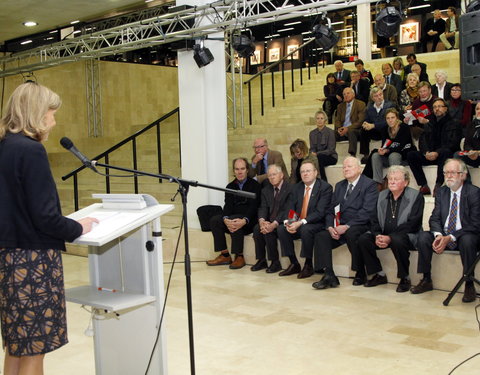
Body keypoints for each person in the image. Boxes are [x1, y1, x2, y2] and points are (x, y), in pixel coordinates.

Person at [0, 82, 98, 375]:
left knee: (17, 347)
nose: (54, 121)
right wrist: (76, 226)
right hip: (32, 262)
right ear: (36, 113)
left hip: (8, 258)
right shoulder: (30, 151)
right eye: (51, 113)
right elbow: (45, 217)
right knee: (35, 350)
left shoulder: (4, 146)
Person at [412, 159, 480, 303]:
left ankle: (468, 284)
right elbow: (434, 218)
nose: (448, 176)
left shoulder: (474, 192)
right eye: (446, 172)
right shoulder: (442, 192)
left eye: (453, 172)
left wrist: (451, 237)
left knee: (468, 240)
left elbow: (475, 224)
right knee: (423, 237)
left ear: (463, 175)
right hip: (443, 233)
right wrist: (438, 235)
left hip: (463, 235)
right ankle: (426, 279)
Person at [312, 157, 378, 289]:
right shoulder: (340, 185)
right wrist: (330, 226)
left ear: (359, 169)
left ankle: (360, 271)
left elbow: (367, 211)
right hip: (339, 226)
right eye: (344, 167)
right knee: (321, 235)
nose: (346, 169)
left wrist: (347, 226)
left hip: (360, 225)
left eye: (350, 166)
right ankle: (329, 274)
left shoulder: (369, 184)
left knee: (352, 233)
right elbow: (331, 209)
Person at [358, 166, 424, 292]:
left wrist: (390, 237)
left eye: (396, 179)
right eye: (390, 179)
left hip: (408, 235)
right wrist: (377, 235)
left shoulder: (416, 196)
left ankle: (405, 277)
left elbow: (413, 224)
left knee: (397, 239)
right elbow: (374, 219)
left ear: (405, 182)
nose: (392, 182)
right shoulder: (381, 195)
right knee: (363, 239)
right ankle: (379, 274)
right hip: (384, 234)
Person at [277, 160, 332, 279]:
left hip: (317, 223)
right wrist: (289, 223)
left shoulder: (325, 187)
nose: (305, 174)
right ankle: (294, 263)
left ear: (316, 172)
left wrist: (301, 222)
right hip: (298, 222)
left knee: (306, 229)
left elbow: (320, 212)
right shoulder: (296, 188)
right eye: (302, 171)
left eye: (308, 171)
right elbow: (289, 207)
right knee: (282, 229)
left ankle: (308, 264)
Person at [207, 157, 261, 269]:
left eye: (242, 168)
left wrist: (244, 220)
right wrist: (225, 218)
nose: (239, 172)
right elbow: (228, 205)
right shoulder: (230, 186)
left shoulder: (255, 185)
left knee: (235, 219)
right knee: (215, 220)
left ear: (247, 170)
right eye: (237, 169)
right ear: (233, 171)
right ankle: (225, 255)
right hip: (233, 219)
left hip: (249, 221)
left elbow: (254, 207)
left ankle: (239, 256)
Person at [407, 98, 462, 196]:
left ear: (446, 109)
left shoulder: (454, 123)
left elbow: (453, 143)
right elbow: (422, 141)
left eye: (440, 106)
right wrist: (426, 152)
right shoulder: (429, 123)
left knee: (446, 152)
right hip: (430, 155)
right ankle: (423, 185)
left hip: (443, 156)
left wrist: (438, 152)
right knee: (411, 155)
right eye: (435, 107)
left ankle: (438, 184)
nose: (437, 109)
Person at [251, 165, 293, 273]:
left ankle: (275, 262)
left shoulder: (290, 188)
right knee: (257, 229)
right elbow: (263, 207)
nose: (272, 177)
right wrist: (262, 221)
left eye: (274, 174)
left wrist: (274, 224)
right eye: (269, 175)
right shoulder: (266, 190)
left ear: (281, 175)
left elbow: (287, 210)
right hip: (270, 220)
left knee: (270, 231)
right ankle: (261, 260)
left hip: (284, 220)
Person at [369, 109, 415, 189]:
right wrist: (382, 150)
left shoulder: (404, 127)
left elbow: (402, 146)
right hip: (390, 156)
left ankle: (391, 179)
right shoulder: (384, 129)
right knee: (376, 155)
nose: (390, 120)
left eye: (392, 117)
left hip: (403, 157)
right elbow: (385, 145)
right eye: (388, 118)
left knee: (394, 155)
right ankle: (378, 183)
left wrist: (387, 150)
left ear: (397, 118)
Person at [360, 87, 396, 163]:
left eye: (380, 94)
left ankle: (384, 151)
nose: (379, 97)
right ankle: (365, 154)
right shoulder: (369, 108)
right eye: (376, 96)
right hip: (374, 131)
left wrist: (374, 125)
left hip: (386, 130)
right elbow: (367, 119)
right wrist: (365, 124)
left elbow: (389, 122)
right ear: (372, 98)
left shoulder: (390, 105)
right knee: (363, 130)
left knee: (386, 127)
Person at [334, 87, 366, 157]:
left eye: (348, 93)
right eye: (344, 94)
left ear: (353, 94)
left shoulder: (361, 104)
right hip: (343, 130)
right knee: (330, 133)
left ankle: (352, 154)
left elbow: (360, 121)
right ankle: (332, 154)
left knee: (351, 131)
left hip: (355, 130)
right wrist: (339, 128)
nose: (346, 95)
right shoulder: (340, 106)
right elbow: (337, 120)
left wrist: (347, 128)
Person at [309, 110, 338, 181]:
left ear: (325, 120)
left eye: (321, 118)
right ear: (315, 120)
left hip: (331, 157)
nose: (319, 120)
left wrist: (317, 154)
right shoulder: (312, 133)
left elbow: (331, 150)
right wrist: (312, 153)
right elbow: (312, 148)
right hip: (317, 156)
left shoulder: (330, 132)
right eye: (317, 118)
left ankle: (323, 181)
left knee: (319, 158)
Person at [455, 102, 480, 168]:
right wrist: (470, 151)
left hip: (478, 153)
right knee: (457, 155)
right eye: (477, 109)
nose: (479, 111)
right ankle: (465, 177)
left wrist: (478, 152)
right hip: (473, 155)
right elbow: (467, 144)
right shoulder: (471, 125)